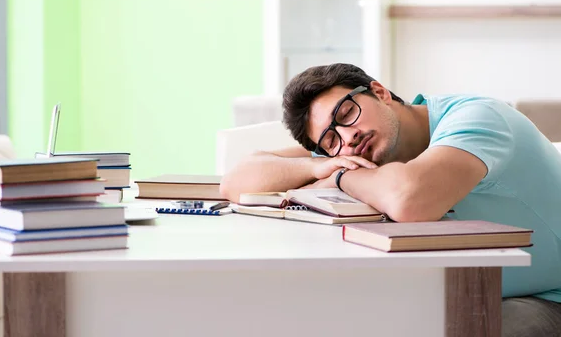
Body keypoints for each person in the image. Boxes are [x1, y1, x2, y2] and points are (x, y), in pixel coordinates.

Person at [220, 63, 561, 337]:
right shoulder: (346, 149)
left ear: (380, 92)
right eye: (329, 139)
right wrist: (317, 163)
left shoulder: (477, 118)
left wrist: (338, 173)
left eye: (346, 113)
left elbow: (410, 199)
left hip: (547, 298)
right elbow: (237, 179)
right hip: (465, 288)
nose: (347, 138)